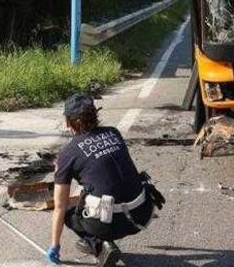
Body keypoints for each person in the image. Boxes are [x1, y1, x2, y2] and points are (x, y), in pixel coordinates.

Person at [46, 93, 165, 266]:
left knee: (69, 211)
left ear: (67, 122)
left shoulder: (68, 153)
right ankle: (99, 241)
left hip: (109, 224)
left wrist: (54, 246)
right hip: (142, 215)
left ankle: (100, 246)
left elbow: (59, 207)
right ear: (95, 114)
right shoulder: (113, 133)